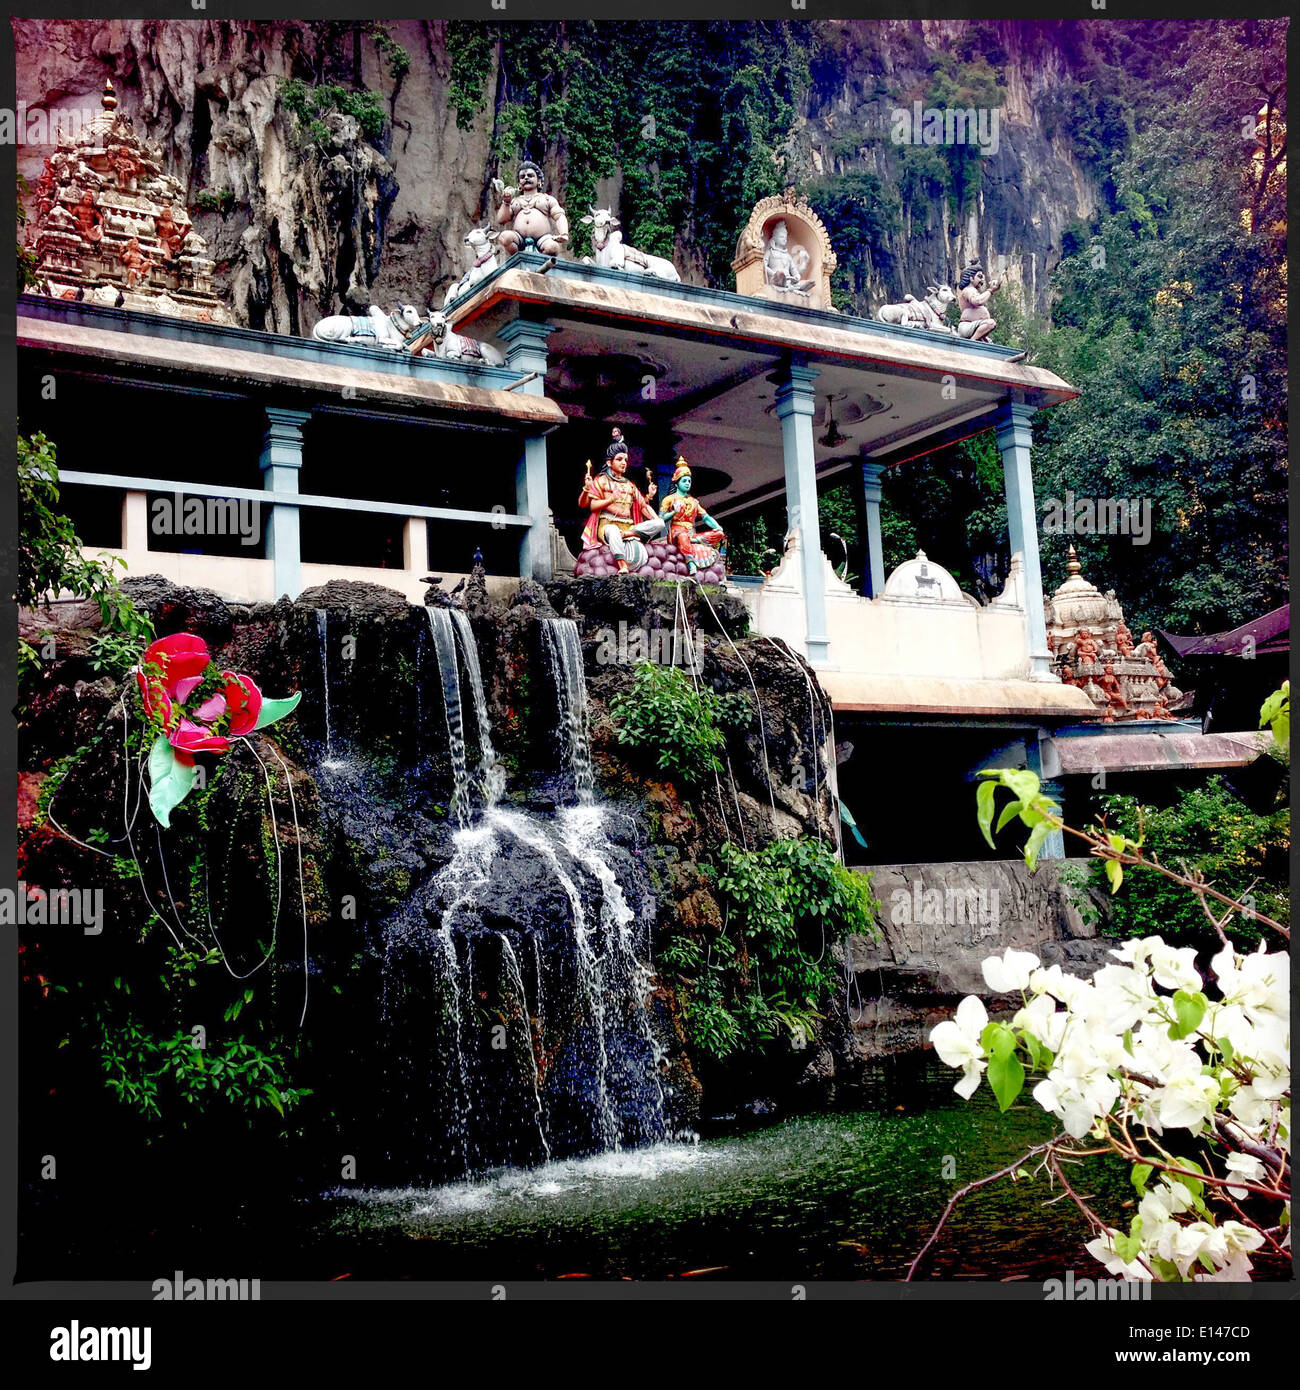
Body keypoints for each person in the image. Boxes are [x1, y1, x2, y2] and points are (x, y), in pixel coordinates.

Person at [579, 429, 665, 573]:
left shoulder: (629, 484)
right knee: (613, 531)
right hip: (607, 525)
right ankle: (622, 565)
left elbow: (643, 506)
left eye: (625, 459)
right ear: (609, 462)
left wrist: (655, 521)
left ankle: (626, 535)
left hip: (629, 528)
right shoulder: (601, 481)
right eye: (619, 459)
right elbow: (592, 506)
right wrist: (610, 499)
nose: (624, 463)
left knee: (661, 522)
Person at [660, 459, 725, 575]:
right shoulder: (669, 499)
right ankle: (691, 563)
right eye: (684, 481)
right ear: (677, 483)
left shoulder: (694, 501)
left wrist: (718, 527)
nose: (687, 483)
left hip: (692, 533)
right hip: (676, 532)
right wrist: (674, 512)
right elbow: (661, 519)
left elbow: (706, 517)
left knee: (719, 534)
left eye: (689, 481)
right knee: (683, 536)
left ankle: (692, 541)